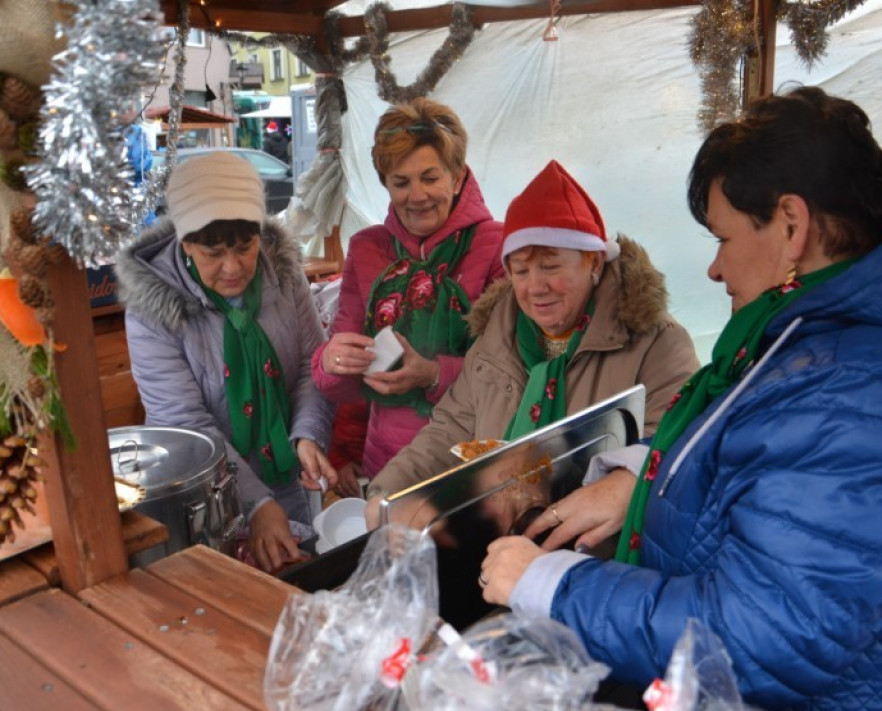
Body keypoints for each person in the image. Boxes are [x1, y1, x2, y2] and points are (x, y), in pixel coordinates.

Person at [478, 87, 882, 711]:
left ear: (792, 226)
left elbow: (764, 636)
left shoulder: (865, 391)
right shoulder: (826, 341)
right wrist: (640, 477)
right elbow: (761, 449)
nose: (713, 267)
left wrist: (552, 584)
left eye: (724, 238)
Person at [365, 159, 699, 526]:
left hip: (593, 548)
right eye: (521, 270)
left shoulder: (656, 344)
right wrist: (388, 495)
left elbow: (678, 451)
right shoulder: (497, 337)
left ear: (594, 262)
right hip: (499, 540)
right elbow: (450, 430)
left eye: (551, 266)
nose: (536, 287)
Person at [116, 152, 337, 573]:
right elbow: (184, 424)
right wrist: (256, 505)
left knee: (296, 577)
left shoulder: (283, 275)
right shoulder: (153, 311)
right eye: (213, 252)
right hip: (203, 497)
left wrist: (307, 435)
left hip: (284, 475)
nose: (232, 267)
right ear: (185, 243)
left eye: (244, 247)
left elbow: (313, 364)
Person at [312, 98, 505, 480]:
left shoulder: (497, 246)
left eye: (430, 178)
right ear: (385, 183)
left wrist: (433, 374)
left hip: (468, 462)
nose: (416, 196)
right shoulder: (367, 248)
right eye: (401, 182)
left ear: (457, 176)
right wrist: (331, 362)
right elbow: (351, 375)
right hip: (386, 463)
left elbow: (510, 371)